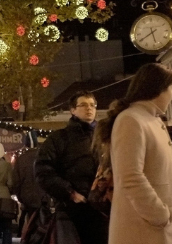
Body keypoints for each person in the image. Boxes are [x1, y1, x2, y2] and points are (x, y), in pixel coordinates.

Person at [94, 63, 172, 244]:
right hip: (144, 228)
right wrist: (160, 215)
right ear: (158, 89)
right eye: (171, 89)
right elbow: (131, 176)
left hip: (161, 228)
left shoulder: (152, 119)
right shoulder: (131, 120)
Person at [35, 90, 107, 244]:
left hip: (103, 210)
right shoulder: (59, 138)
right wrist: (70, 192)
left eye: (92, 105)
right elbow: (43, 171)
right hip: (73, 211)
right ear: (73, 110)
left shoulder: (104, 137)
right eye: (83, 105)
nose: (89, 109)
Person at [7, 135, 45, 236]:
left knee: (29, 219)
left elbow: (16, 181)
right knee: (42, 221)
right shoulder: (43, 157)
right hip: (42, 195)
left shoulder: (21, 159)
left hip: (26, 196)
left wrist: (19, 195)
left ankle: (28, 236)